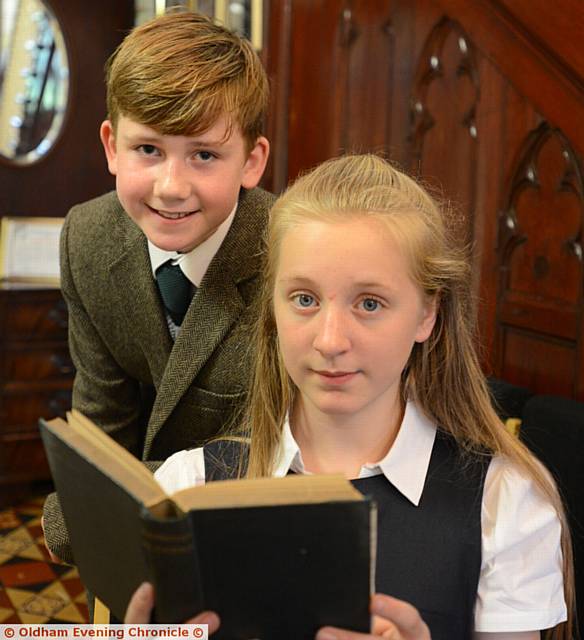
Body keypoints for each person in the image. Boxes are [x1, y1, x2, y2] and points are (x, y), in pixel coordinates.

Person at [132, 154, 575, 639]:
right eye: (304, 299)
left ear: (427, 314)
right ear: (273, 307)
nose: (330, 341)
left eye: (369, 303)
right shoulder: (187, 488)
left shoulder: (503, 503)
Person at [42, 9, 273, 564]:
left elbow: (273, 457)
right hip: (141, 544)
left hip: (255, 538)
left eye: (204, 155)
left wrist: (95, 504)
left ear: (252, 161)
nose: (172, 188)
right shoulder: (88, 238)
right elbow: (101, 430)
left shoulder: (293, 256)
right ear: (111, 147)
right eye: (149, 149)